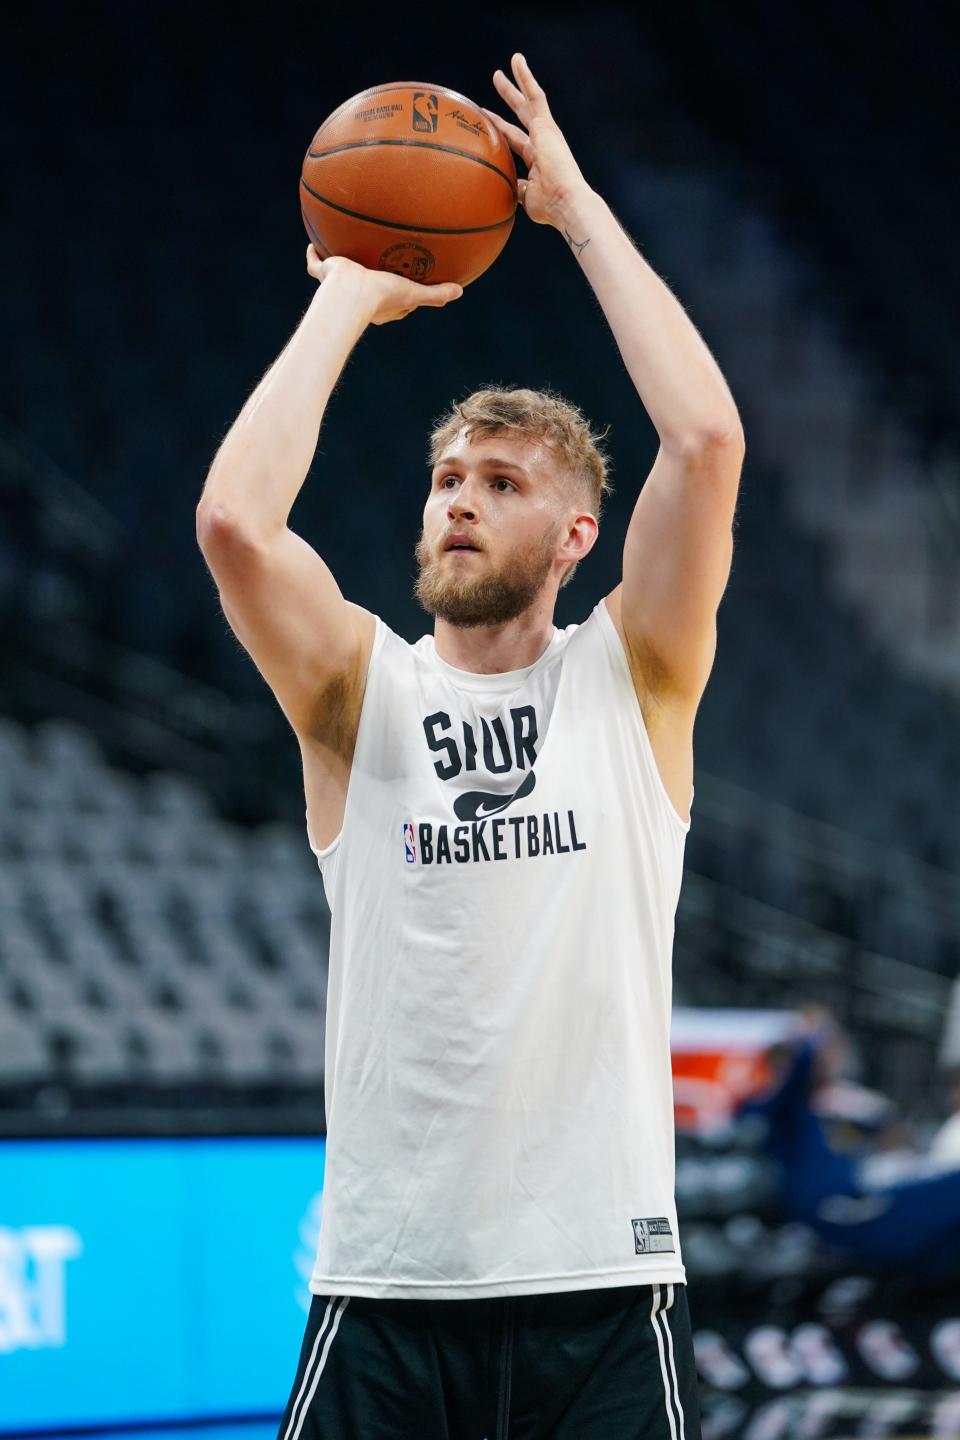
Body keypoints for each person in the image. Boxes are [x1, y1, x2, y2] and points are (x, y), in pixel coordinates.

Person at [197, 52, 743, 1440]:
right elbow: (236, 530)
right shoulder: (356, 691)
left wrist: (571, 210)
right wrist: (347, 296)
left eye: (503, 484)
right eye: (447, 478)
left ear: (577, 537)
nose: (459, 501)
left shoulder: (636, 680)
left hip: (606, 1290)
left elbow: (705, 435)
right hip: (386, 1295)